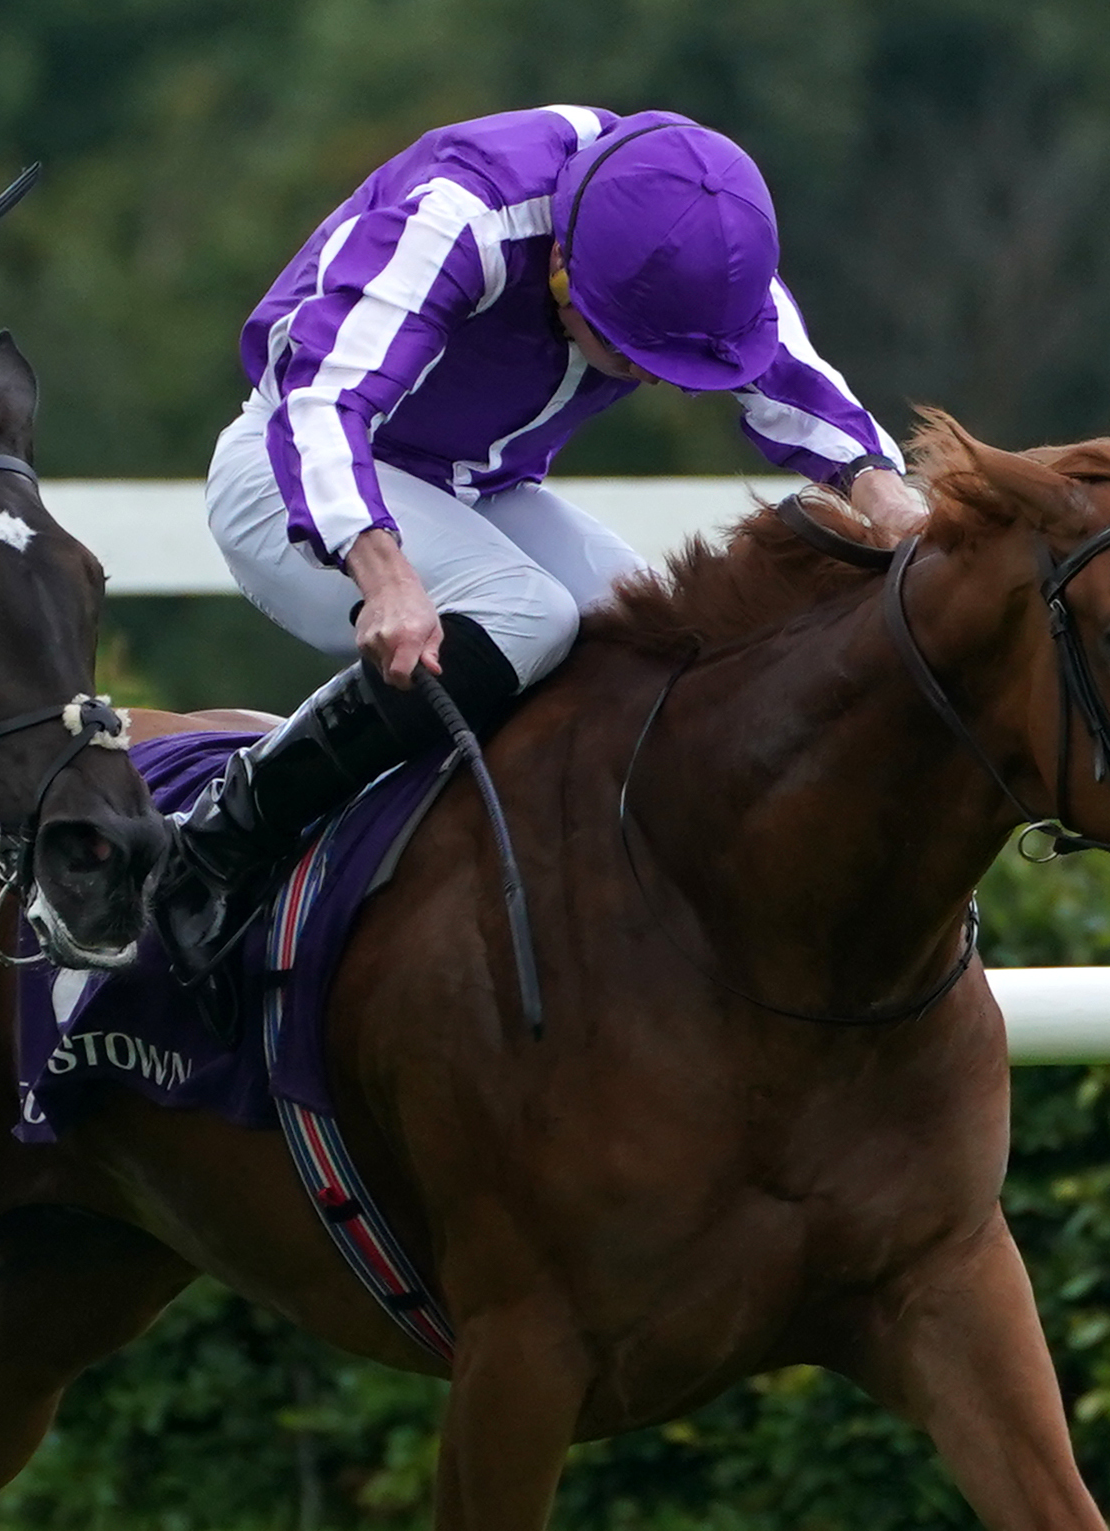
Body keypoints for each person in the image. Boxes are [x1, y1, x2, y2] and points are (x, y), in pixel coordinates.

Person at [154, 105, 926, 984]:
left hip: (475, 490)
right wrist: (386, 575)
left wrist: (897, 507)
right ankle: (222, 839)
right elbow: (322, 403)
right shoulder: (461, 213)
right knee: (528, 616)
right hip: (295, 466)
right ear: (561, 266)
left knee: (665, 646)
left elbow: (802, 394)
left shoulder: (691, 232)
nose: (647, 381)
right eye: (630, 352)